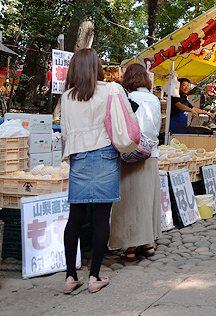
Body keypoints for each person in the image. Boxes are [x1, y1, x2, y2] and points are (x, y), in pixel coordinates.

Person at [61, 49, 125, 294]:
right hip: (106, 154)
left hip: (79, 157)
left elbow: (65, 132)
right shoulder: (111, 90)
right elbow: (122, 122)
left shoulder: (67, 96)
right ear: (96, 67)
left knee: (75, 217)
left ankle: (70, 277)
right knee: (101, 218)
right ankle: (94, 276)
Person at [109, 63, 162, 261]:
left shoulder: (125, 97)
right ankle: (148, 243)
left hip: (129, 155)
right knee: (147, 201)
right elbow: (156, 128)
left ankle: (130, 246)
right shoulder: (155, 100)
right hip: (150, 155)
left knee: (129, 202)